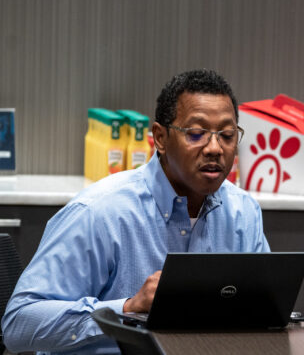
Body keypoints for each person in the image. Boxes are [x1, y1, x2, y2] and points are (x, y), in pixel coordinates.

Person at [2, 69, 270, 354]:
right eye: (196, 133)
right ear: (160, 138)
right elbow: (18, 324)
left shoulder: (243, 212)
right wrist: (127, 308)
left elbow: (263, 312)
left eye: (227, 135)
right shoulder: (99, 212)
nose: (215, 148)